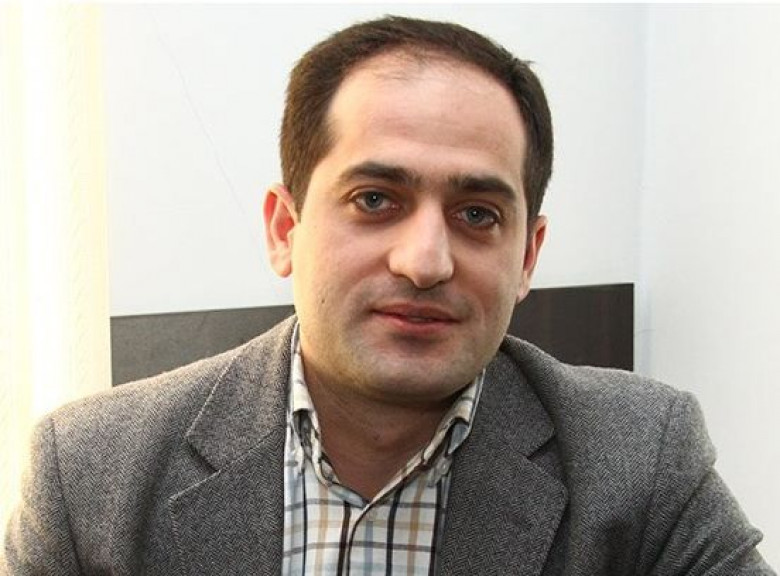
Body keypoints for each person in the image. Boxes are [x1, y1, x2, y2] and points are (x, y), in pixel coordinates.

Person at [2, 15, 774, 576]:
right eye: (375, 200)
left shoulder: (643, 462)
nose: (425, 260)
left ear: (527, 256)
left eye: (478, 215)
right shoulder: (90, 475)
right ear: (285, 229)